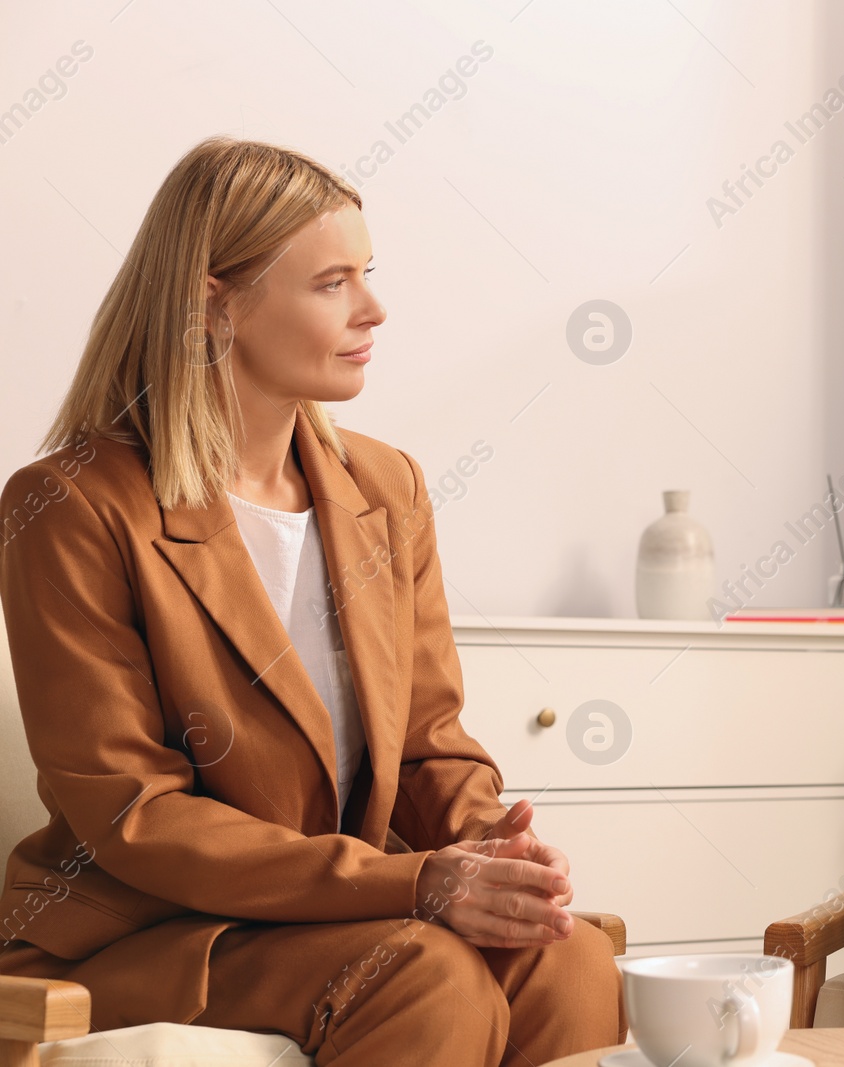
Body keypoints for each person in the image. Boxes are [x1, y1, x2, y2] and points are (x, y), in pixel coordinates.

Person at [0, 136, 624, 1065]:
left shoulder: (386, 487)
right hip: (154, 932)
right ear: (216, 301)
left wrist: (494, 852)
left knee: (570, 959)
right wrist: (415, 883)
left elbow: (428, 744)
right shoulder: (71, 505)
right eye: (332, 282)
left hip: (343, 917)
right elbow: (137, 814)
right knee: (429, 973)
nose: (373, 307)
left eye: (366, 273)